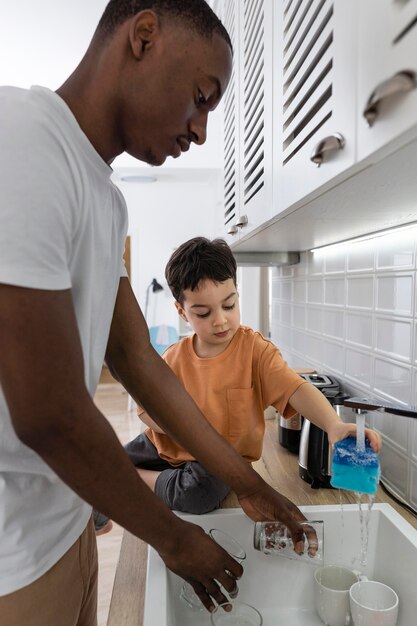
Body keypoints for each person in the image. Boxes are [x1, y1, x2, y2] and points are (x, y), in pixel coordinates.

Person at [1, 1, 373, 623]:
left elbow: (138, 359)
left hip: (64, 524)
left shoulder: (107, 200)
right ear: (144, 36)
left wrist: (248, 483)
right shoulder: (22, 139)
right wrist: (173, 540)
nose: (201, 130)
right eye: (201, 97)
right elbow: (48, 414)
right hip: (12, 554)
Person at [92, 236, 381, 526]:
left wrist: (334, 425)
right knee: (102, 467)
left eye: (229, 306)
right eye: (203, 313)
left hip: (217, 465)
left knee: (200, 493)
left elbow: (296, 388)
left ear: (237, 295)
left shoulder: (256, 351)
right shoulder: (173, 358)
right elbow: (148, 411)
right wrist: (178, 425)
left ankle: (138, 480)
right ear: (182, 312)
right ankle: (100, 518)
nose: (220, 321)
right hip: (162, 447)